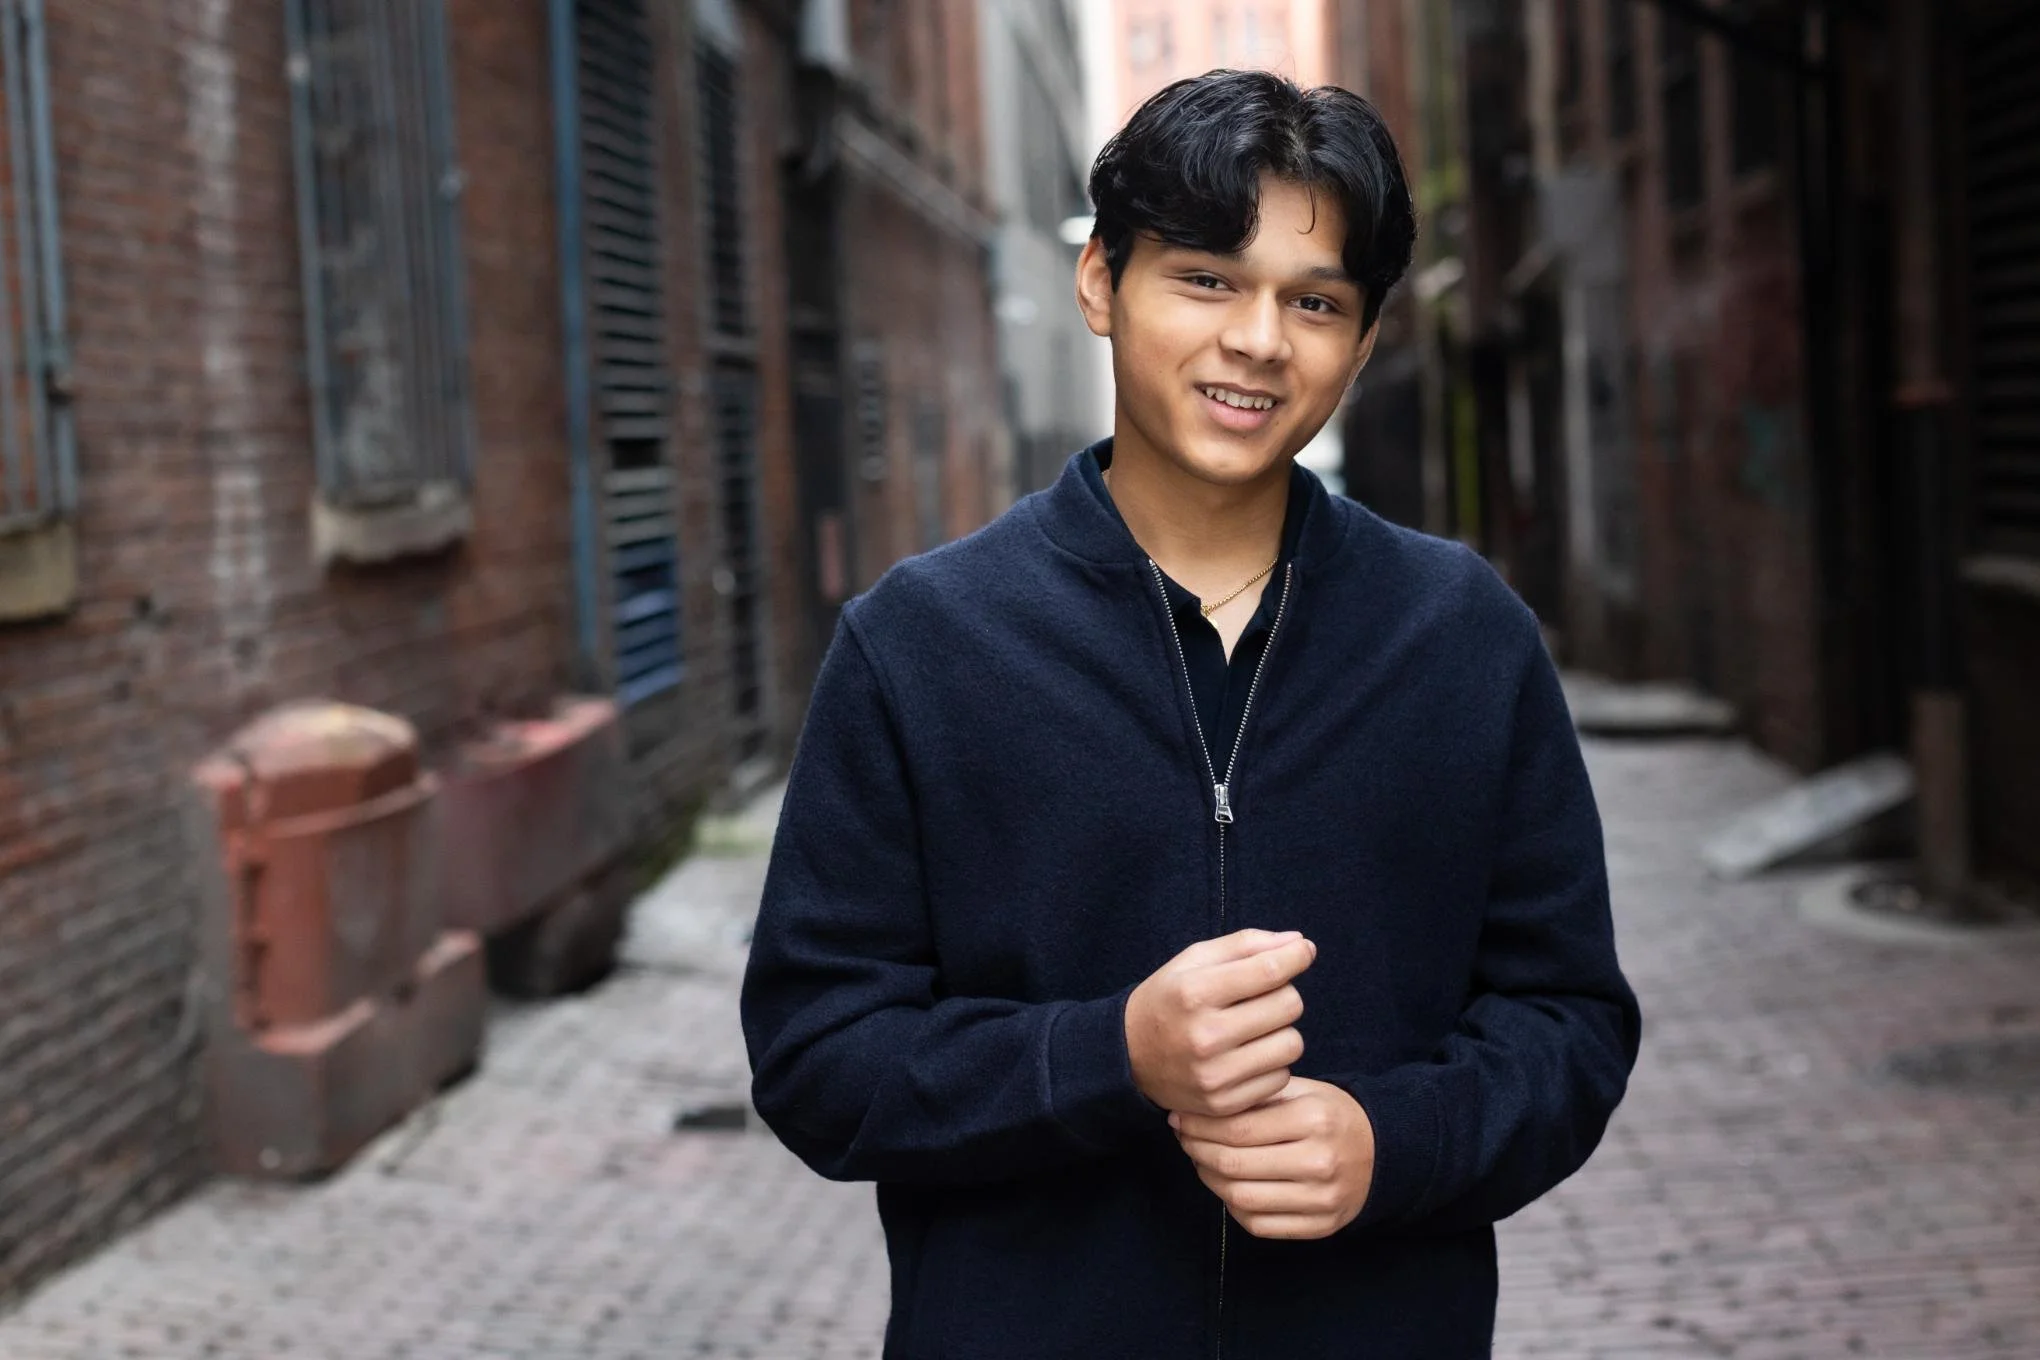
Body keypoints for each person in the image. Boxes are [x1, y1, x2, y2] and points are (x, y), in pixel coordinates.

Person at [740, 69, 1641, 1359]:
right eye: (1208, 278)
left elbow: (1570, 1023)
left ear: (1365, 338)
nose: (1260, 341)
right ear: (1102, 283)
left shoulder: (1462, 637)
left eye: (1314, 301)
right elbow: (818, 1057)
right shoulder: (922, 644)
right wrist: (1114, 1055)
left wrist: (1394, 1143)